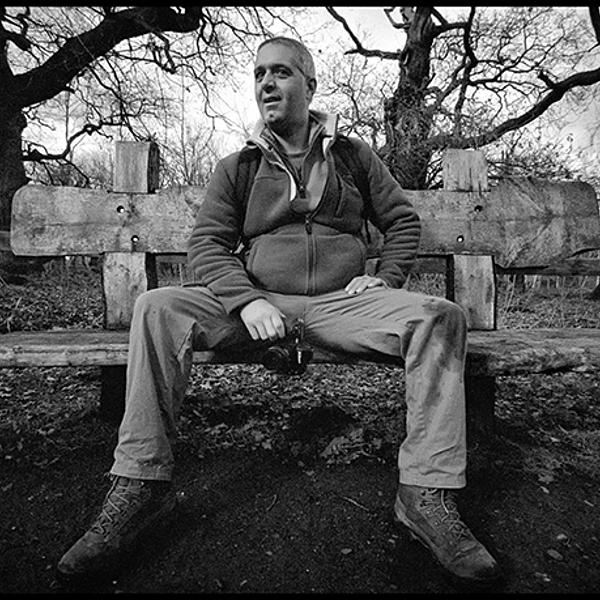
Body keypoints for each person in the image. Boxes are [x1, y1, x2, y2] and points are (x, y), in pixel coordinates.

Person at [56, 36, 501, 587]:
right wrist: (247, 299)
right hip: (258, 301)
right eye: (259, 73)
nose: (267, 82)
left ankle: (424, 494)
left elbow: (402, 222)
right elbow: (208, 245)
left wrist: (383, 279)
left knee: (440, 316)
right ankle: (141, 485)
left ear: (310, 86)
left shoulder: (353, 157)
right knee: (157, 307)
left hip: (341, 305)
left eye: (282, 72)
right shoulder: (240, 165)